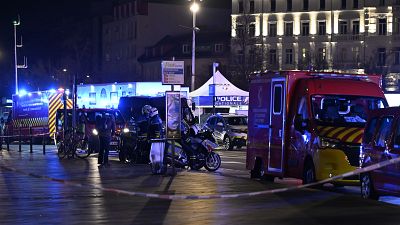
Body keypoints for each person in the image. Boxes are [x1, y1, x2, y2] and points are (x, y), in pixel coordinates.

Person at [148, 107, 165, 174]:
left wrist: (154, 138)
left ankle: (157, 169)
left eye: (151, 112)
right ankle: (157, 169)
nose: (149, 113)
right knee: (157, 156)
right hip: (157, 140)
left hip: (156, 141)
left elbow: (156, 131)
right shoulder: (156, 119)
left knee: (155, 155)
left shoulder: (155, 120)